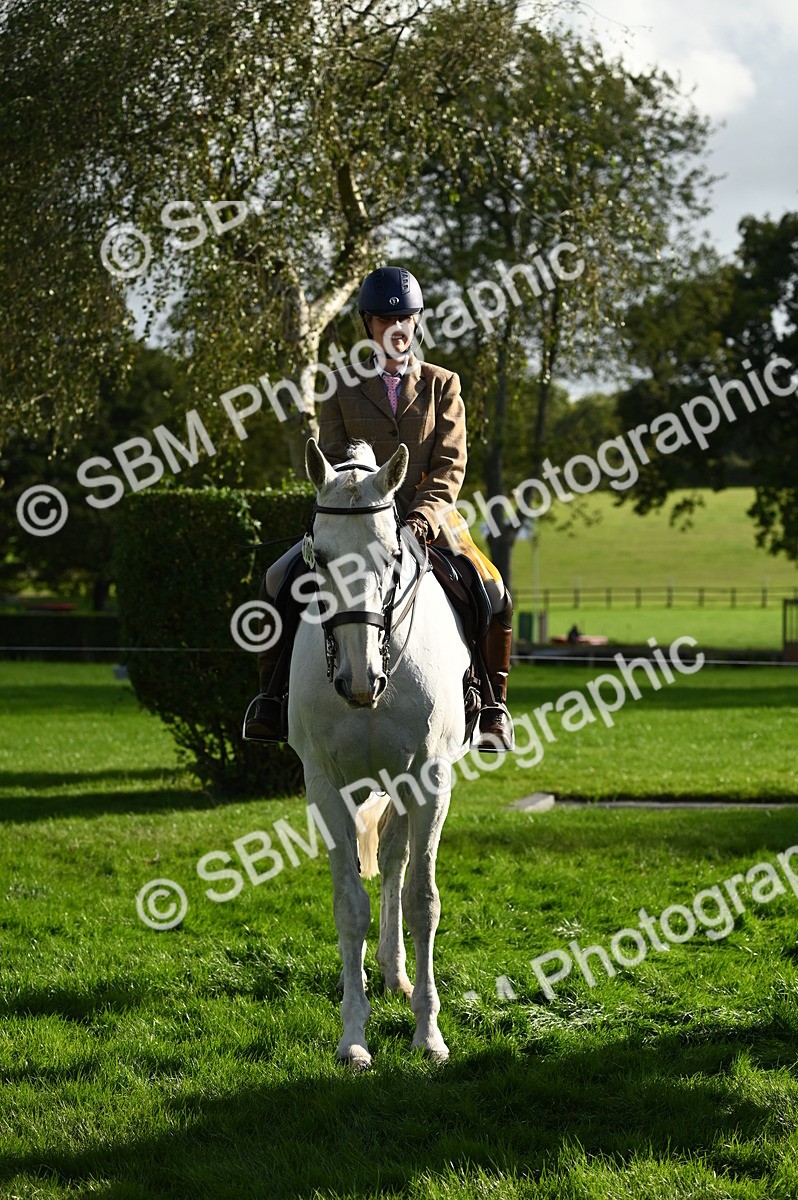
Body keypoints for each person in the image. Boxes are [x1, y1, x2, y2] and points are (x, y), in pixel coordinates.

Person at [244, 265, 514, 750]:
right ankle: (271, 697)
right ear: (367, 325)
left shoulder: (441, 384)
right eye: (385, 320)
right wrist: (359, 500)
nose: (397, 328)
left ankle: (492, 705)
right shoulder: (340, 384)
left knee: (492, 590)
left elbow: (451, 466)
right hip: (356, 518)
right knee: (275, 580)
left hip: (429, 517)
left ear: (417, 322)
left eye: (406, 319)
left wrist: (418, 520)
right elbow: (329, 461)